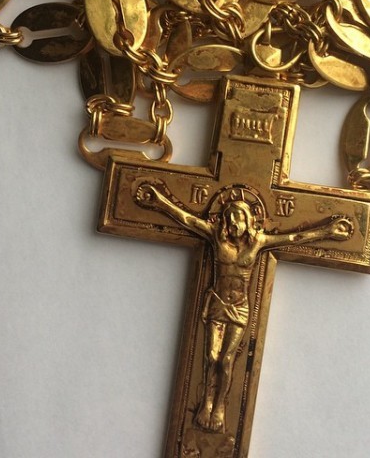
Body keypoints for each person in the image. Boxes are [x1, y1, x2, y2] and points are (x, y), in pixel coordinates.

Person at [135, 182, 353, 433]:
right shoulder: (216, 236)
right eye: (230, 216)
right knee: (211, 357)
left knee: (226, 359)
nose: (233, 221)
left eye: (238, 216)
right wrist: (159, 201)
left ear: (249, 220)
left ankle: (219, 407)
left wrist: (327, 231)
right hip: (217, 303)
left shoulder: (257, 242)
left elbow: (293, 237)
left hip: (239, 307)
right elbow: (188, 219)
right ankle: (206, 403)